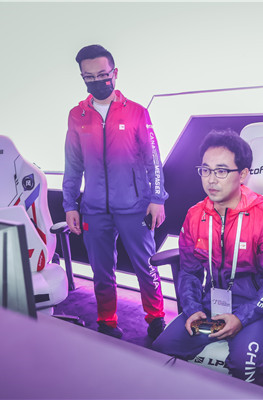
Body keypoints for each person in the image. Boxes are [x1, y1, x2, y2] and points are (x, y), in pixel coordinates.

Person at [152, 129, 263, 386]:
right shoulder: (195, 216)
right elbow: (190, 271)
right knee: (159, 351)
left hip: (257, 310)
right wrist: (193, 309)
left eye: (222, 171)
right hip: (210, 305)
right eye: (205, 170)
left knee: (243, 364)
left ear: (243, 174)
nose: (211, 180)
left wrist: (242, 317)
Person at [62, 44, 168, 339]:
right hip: (94, 209)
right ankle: (107, 321)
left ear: (114, 73)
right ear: (82, 77)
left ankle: (156, 318)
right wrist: (70, 205)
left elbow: (153, 160)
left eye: (102, 74)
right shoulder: (77, 115)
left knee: (146, 266)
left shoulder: (136, 112)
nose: (97, 81)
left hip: (134, 206)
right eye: (89, 77)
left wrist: (157, 199)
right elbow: (73, 164)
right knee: (101, 272)